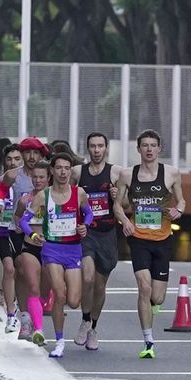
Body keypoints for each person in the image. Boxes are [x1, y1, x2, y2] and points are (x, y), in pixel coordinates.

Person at [118, 129, 185, 359]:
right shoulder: (127, 175)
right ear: (138, 149)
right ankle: (148, 341)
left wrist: (179, 210)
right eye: (144, 145)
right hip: (138, 239)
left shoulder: (172, 173)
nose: (149, 149)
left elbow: (182, 200)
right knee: (144, 288)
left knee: (157, 297)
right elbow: (117, 204)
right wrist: (125, 220)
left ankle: (152, 306)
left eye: (153, 145)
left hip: (163, 239)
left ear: (159, 149)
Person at [23, 149, 94, 358]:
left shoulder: (79, 193)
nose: (63, 172)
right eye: (59, 168)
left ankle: (55, 310)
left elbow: (89, 213)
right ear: (52, 171)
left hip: (73, 250)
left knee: (73, 300)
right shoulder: (43, 196)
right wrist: (34, 236)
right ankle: (59, 341)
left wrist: (85, 225)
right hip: (51, 249)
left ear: (71, 171)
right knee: (60, 294)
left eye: (67, 168)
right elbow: (24, 221)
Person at [78, 132, 126, 352]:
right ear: (87, 148)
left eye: (100, 146)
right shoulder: (78, 172)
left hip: (107, 234)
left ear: (106, 148)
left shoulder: (117, 172)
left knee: (99, 285)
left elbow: (127, 205)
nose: (96, 150)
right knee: (87, 277)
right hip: (86, 233)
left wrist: (118, 197)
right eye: (92, 146)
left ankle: (93, 328)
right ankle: (85, 319)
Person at [0, 142, 27, 334]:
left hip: (24, 231)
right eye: (9, 159)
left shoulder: (30, 181)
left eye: (17, 159)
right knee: (9, 269)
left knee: (22, 272)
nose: (13, 163)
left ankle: (22, 308)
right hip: (4, 230)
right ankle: (10, 314)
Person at [13, 160, 51, 347]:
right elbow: (17, 218)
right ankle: (35, 327)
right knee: (33, 286)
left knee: (44, 291)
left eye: (41, 177)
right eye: (34, 177)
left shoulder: (55, 198)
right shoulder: (25, 200)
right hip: (30, 247)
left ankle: (34, 313)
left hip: (51, 248)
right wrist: (25, 230)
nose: (37, 180)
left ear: (48, 178)